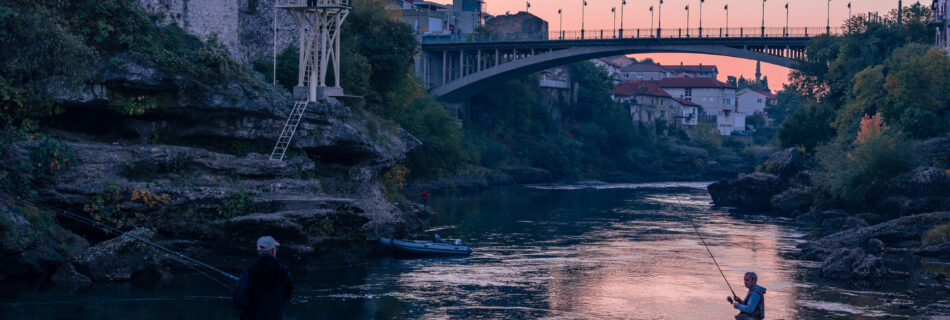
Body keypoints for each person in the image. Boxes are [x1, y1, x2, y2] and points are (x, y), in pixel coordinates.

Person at [233, 236, 293, 320]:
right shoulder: (285, 273)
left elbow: (239, 301)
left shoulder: (249, 272)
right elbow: (288, 297)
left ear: (258, 251)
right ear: (273, 251)